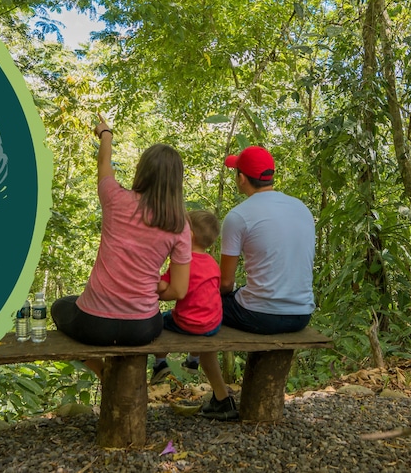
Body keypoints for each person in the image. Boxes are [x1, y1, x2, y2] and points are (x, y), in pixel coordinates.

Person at [51, 114, 192, 375]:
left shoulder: (115, 198)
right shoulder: (179, 225)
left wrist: (105, 134)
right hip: (143, 327)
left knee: (60, 306)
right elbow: (179, 291)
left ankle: (104, 373)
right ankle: (114, 377)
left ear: (142, 170)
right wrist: (153, 287)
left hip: (94, 324)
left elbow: (104, 163)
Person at [199, 145, 316, 421]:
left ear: (242, 178)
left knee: (199, 307)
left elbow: (225, 284)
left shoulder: (238, 216)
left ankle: (220, 396)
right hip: (301, 313)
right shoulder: (301, 208)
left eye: (236, 172)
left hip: (261, 315)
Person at [150, 210, 223, 391]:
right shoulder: (213, 263)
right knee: (202, 317)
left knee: (158, 321)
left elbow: (164, 287)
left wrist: (155, 287)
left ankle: (160, 362)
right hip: (213, 324)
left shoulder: (182, 262)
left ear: (188, 235)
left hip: (188, 323)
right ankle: (193, 360)